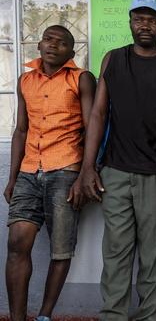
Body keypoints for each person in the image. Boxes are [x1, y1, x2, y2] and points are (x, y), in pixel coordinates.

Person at [77, 0, 156, 320]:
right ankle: (112, 315)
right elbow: (98, 114)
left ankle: (148, 317)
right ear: (130, 23)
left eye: (151, 19)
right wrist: (88, 167)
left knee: (153, 257)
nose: (145, 25)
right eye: (139, 18)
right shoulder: (112, 60)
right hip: (113, 172)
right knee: (115, 253)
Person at [3, 25, 95, 321]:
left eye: (62, 42)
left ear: (72, 51)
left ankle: (44, 315)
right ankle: (17, 318)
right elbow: (20, 130)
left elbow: (92, 127)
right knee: (17, 243)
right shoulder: (25, 80)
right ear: (39, 44)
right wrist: (13, 177)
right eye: (48, 39)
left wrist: (85, 174)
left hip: (65, 169)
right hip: (29, 170)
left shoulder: (81, 79)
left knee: (60, 250)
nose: (53, 45)